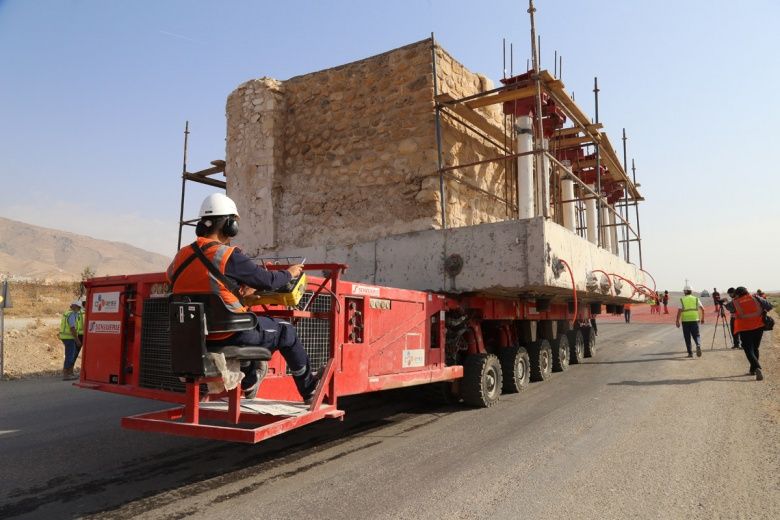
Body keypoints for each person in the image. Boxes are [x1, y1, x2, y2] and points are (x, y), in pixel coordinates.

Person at [167, 193, 319, 401]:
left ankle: (249, 383)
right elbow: (266, 280)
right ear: (229, 225)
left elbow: (190, 284)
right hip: (233, 333)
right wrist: (289, 273)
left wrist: (236, 291)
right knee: (286, 331)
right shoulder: (228, 255)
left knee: (249, 328)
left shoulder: (179, 257)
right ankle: (309, 390)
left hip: (198, 337)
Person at [724, 286, 773, 381]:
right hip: (759, 327)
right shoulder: (756, 297)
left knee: (748, 349)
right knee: (755, 348)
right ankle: (753, 370)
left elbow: (729, 308)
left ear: (737, 294)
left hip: (744, 328)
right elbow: (769, 306)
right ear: (746, 292)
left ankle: (757, 367)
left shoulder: (735, 302)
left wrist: (725, 302)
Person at [675, 285, 705, 357]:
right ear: (691, 291)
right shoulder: (696, 299)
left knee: (687, 337)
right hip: (695, 320)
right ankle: (698, 344)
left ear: (685, 291)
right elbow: (703, 309)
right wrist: (702, 318)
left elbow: (679, 311)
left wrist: (677, 321)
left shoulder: (682, 299)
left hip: (685, 320)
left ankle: (690, 353)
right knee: (696, 335)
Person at [58, 300, 83, 380]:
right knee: (70, 356)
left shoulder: (67, 313)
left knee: (70, 355)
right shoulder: (72, 315)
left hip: (65, 337)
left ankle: (68, 373)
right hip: (69, 338)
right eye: (77, 307)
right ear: (74, 307)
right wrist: (77, 340)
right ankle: (66, 374)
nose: (78, 309)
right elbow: (72, 328)